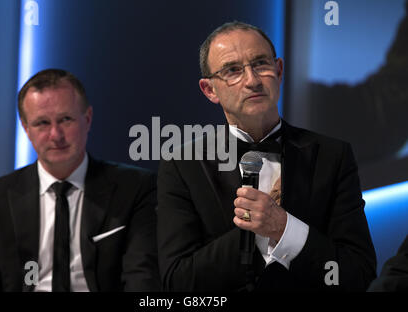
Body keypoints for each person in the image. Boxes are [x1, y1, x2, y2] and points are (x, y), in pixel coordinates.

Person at [157, 21, 376, 291]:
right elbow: (178, 282)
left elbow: (358, 274)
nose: (252, 80)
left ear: (279, 70)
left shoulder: (333, 156)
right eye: (233, 70)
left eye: (261, 64)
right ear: (210, 90)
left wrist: (284, 228)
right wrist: (254, 232)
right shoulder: (183, 166)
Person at [0, 69, 160, 291]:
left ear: (87, 119)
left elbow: (142, 281)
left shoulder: (135, 188)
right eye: (42, 123)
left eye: (65, 119)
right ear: (26, 129)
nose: (55, 135)